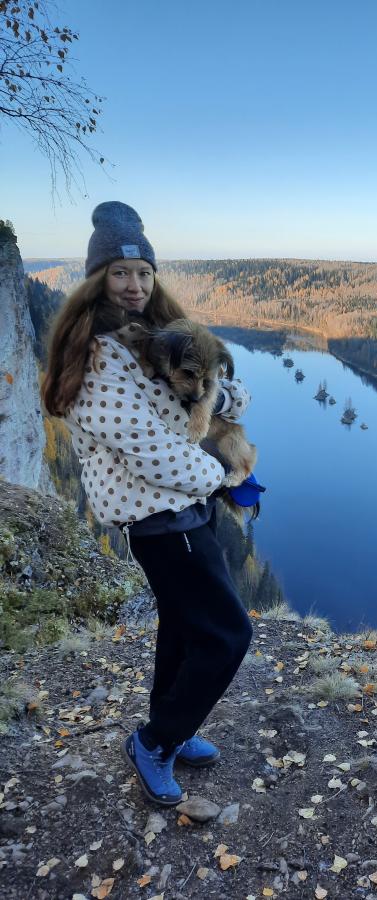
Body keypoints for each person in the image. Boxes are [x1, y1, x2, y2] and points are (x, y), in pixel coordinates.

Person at [41, 201, 254, 806]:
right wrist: (224, 478)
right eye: (118, 273)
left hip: (188, 510)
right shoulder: (93, 358)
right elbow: (154, 454)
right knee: (228, 635)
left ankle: (175, 727)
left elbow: (228, 395)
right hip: (158, 519)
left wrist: (217, 389)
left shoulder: (164, 340)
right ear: (95, 279)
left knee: (184, 627)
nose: (135, 286)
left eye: (143, 273)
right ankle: (155, 742)